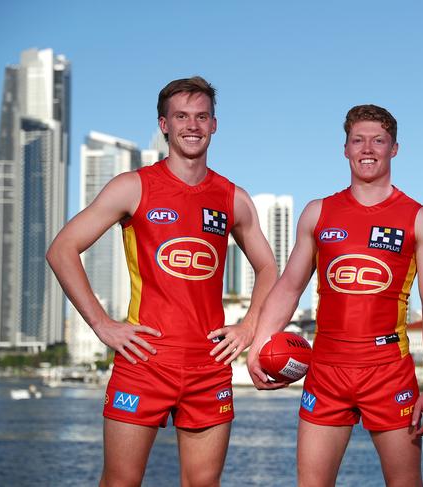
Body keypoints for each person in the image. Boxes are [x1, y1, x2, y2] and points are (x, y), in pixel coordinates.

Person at [46, 76, 277, 486]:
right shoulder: (133, 187)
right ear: (163, 125)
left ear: (214, 124)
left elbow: (268, 268)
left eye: (202, 116)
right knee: (120, 481)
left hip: (210, 364)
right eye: (182, 116)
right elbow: (62, 249)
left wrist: (248, 325)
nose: (193, 125)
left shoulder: (232, 197)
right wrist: (103, 325)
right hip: (144, 360)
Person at [247, 105, 423, 487]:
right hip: (325, 370)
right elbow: (290, 286)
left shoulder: (421, 219)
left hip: (389, 370)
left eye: (378, 140)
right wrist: (257, 347)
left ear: (395, 149)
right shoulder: (318, 213)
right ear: (345, 149)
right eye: (358, 140)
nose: (368, 148)